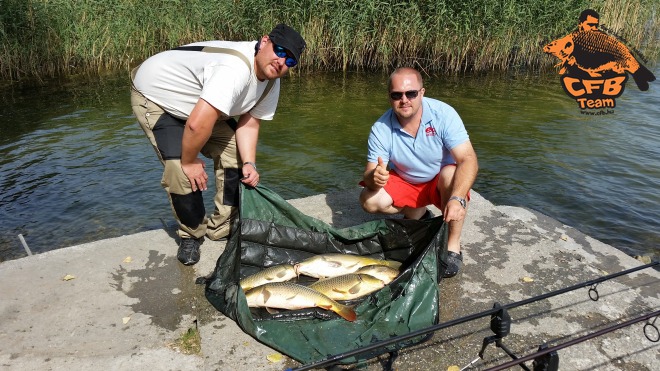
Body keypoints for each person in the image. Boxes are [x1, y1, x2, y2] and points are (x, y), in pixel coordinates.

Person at [131, 24, 306, 266]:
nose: (281, 61)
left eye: (290, 60)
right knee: (179, 169)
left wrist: (249, 162)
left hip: (200, 106)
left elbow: (250, 122)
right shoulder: (234, 69)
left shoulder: (271, 83)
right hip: (159, 97)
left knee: (235, 153)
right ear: (264, 41)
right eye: (280, 50)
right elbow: (195, 125)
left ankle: (221, 225)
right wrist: (190, 162)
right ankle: (191, 234)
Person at [359, 67, 478, 278]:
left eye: (410, 93)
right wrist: (374, 177)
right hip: (407, 179)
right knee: (369, 200)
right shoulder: (380, 128)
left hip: (440, 179)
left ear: (421, 93)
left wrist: (458, 198)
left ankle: (453, 245)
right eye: (397, 95)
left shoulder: (443, 114)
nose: (404, 100)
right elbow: (369, 174)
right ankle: (419, 213)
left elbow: (468, 159)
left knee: (451, 174)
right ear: (389, 97)